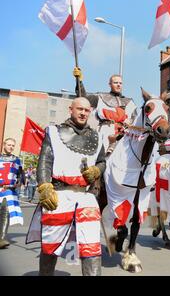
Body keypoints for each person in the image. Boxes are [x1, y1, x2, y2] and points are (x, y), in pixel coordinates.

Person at [26, 97, 106, 276]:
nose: (83, 113)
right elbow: (45, 161)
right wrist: (45, 186)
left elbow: (102, 161)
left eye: (86, 110)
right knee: (51, 244)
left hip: (86, 196)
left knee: (91, 246)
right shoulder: (54, 133)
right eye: (79, 109)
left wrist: (96, 170)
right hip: (59, 195)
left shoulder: (98, 137)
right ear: (71, 109)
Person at [74, 69, 136, 155]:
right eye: (115, 83)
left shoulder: (129, 102)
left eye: (120, 83)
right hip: (105, 131)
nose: (118, 85)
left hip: (123, 133)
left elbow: (135, 119)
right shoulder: (100, 97)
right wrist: (79, 81)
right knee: (99, 156)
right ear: (110, 84)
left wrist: (129, 122)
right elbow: (83, 98)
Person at [0, 138, 23, 249]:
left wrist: (17, 183)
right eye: (9, 145)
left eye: (13, 145)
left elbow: (20, 176)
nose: (11, 147)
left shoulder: (17, 160)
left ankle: (1, 238)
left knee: (5, 213)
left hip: (9, 191)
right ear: (4, 145)